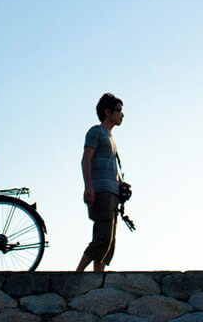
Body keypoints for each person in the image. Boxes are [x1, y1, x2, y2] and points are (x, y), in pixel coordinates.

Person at [77, 93, 125, 272]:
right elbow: (85, 159)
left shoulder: (111, 138)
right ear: (107, 112)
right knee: (102, 236)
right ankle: (78, 273)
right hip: (100, 189)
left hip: (112, 191)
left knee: (110, 240)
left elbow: (112, 165)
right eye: (118, 110)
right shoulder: (96, 132)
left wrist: (121, 184)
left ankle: (98, 275)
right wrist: (88, 187)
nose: (122, 114)